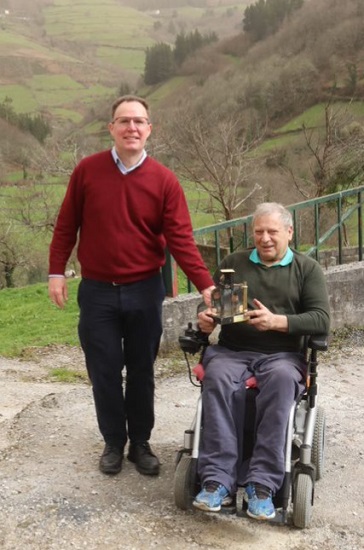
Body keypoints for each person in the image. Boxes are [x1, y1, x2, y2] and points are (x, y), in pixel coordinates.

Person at [48, 95, 215, 477]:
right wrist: (56, 270)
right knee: (103, 369)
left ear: (149, 129)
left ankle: (140, 442)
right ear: (111, 128)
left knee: (141, 369)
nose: (132, 128)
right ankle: (112, 441)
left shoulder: (164, 180)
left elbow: (180, 239)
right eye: (124, 121)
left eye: (139, 121)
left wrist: (205, 284)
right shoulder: (87, 172)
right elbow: (65, 225)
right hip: (97, 291)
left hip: (143, 288)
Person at [193, 202, 330, 520]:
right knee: (216, 377)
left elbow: (321, 320)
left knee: (282, 382)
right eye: (259, 232)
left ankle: (263, 485)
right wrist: (206, 320)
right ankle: (216, 482)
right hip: (233, 351)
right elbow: (220, 312)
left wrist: (279, 322)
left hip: (282, 355)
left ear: (289, 232)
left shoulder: (306, 269)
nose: (265, 238)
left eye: (272, 231)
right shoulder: (233, 264)